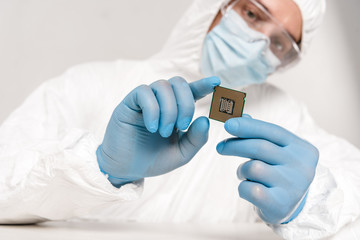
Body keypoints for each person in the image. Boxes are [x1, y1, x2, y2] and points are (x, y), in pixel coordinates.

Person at [0, 0, 359, 239]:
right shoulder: (87, 84)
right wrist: (99, 169)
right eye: (252, 14)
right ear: (215, 7)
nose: (258, 43)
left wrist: (309, 203)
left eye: (280, 43)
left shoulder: (283, 117)